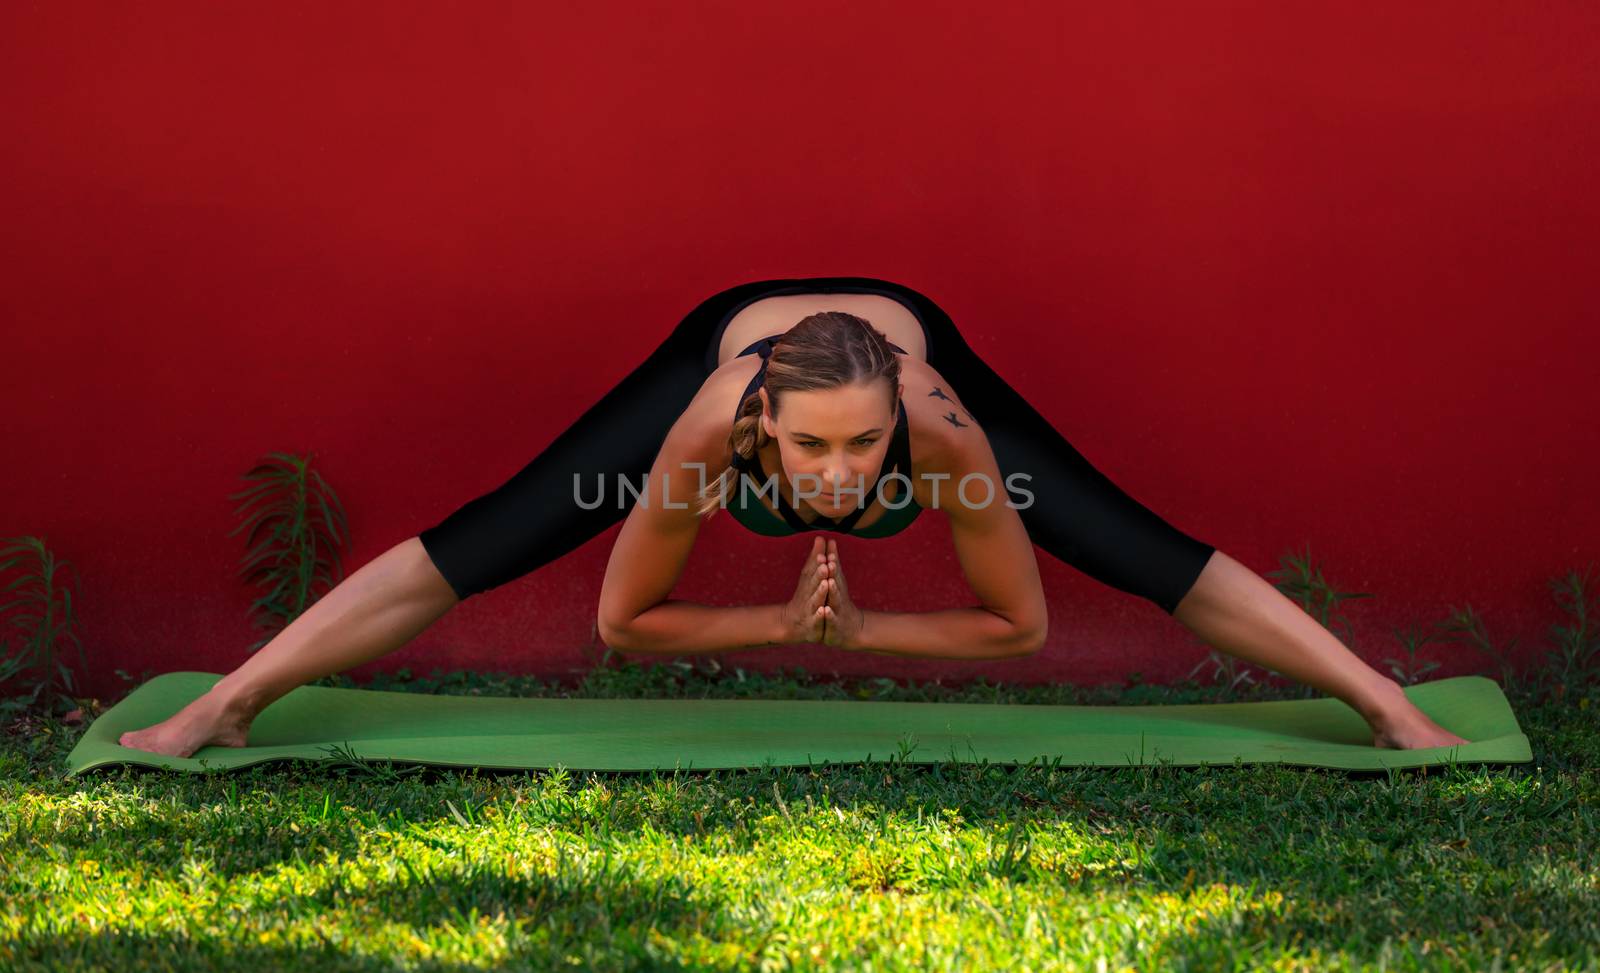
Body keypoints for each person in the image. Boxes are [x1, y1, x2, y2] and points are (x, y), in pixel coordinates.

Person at [118, 275, 1467, 757]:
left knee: (1123, 531)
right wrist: (776, 615)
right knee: (507, 523)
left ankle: (1377, 697)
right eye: (810, 452)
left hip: (900, 346)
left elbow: (1022, 623)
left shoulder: (942, 435)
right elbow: (617, 621)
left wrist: (864, 621)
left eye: (858, 454)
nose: (833, 479)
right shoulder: (707, 423)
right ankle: (232, 699)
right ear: (762, 428)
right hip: (738, 341)